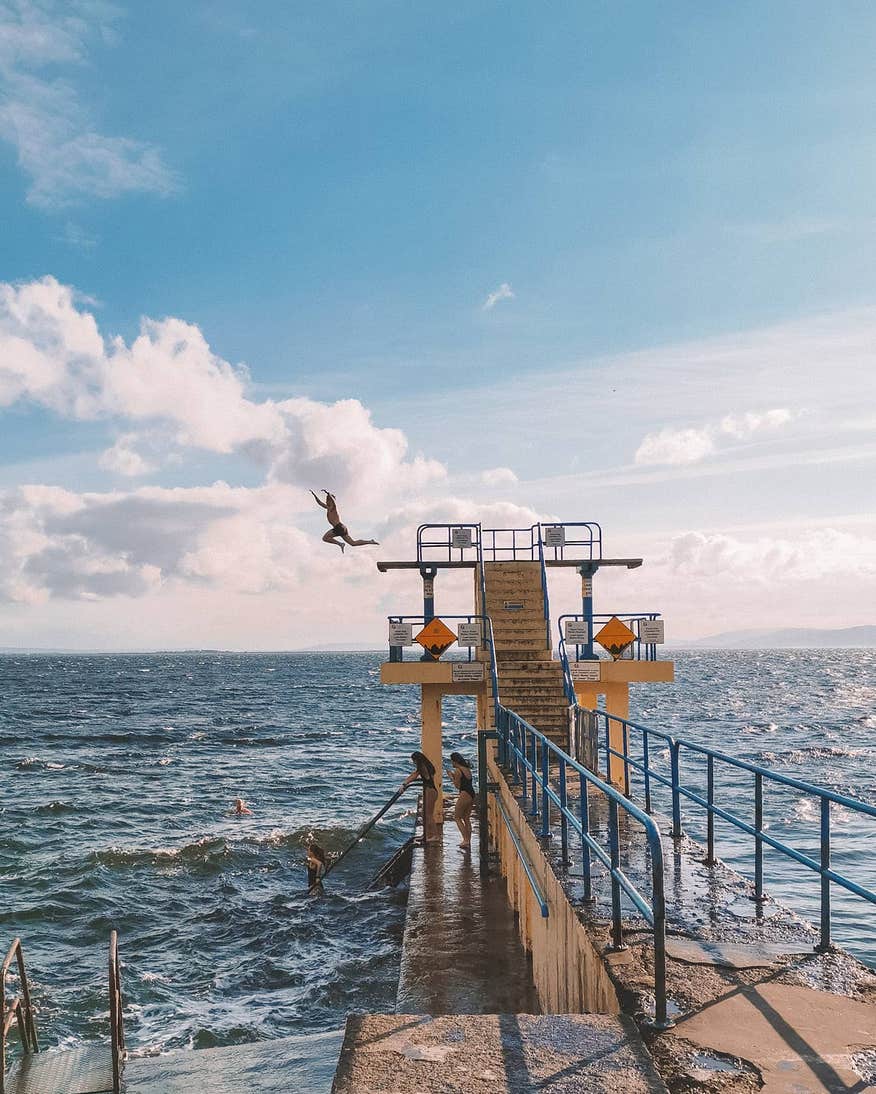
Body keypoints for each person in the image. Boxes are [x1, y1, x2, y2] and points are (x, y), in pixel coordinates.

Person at [310, 489, 379, 553]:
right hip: (342, 527)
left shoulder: (333, 508)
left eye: (327, 501)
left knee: (325, 538)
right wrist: (314, 495)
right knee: (353, 543)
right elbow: (320, 503)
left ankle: (340, 544)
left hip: (338, 527)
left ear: (330, 501)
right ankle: (370, 541)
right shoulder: (328, 508)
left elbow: (333, 502)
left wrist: (328, 494)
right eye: (326, 501)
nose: (326, 502)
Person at [402, 751, 439, 844]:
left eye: (414, 761)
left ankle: (435, 836)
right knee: (424, 815)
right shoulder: (428, 766)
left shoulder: (422, 767)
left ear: (417, 760)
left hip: (430, 791)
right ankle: (426, 835)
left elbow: (414, 775)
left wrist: (404, 784)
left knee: (428, 815)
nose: (414, 763)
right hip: (432, 791)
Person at [447, 752, 475, 849]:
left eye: (452, 761)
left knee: (457, 817)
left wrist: (451, 776)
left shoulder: (458, 771)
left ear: (455, 761)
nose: (451, 763)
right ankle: (468, 840)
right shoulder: (467, 769)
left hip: (465, 793)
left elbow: (457, 786)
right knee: (466, 818)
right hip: (471, 793)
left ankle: (465, 840)